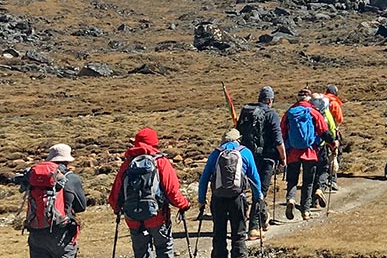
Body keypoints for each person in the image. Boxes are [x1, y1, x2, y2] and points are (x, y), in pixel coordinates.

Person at [110, 128, 193, 258]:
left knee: (141, 252)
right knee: (164, 249)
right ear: (154, 142)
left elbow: (116, 191)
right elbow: (172, 191)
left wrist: (117, 208)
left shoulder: (127, 163)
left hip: (132, 216)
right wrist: (184, 204)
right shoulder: (160, 162)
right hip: (157, 216)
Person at [197, 129, 262, 258]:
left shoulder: (216, 153)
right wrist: (258, 196)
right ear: (238, 139)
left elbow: (204, 178)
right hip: (238, 198)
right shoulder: (245, 153)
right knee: (238, 233)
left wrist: (201, 200)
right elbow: (254, 177)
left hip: (218, 198)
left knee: (219, 233)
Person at [19, 144, 88, 258]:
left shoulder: (35, 177)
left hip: (36, 233)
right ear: (67, 160)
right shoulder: (71, 179)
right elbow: (81, 207)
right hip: (61, 234)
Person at [233, 87, 283, 238]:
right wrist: (283, 158)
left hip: (246, 157)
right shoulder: (271, 114)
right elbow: (278, 139)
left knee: (244, 190)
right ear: (269, 100)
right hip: (266, 159)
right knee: (260, 191)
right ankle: (254, 227)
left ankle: (261, 219)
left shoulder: (246, 112)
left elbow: (238, 132)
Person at [279, 90, 331, 220]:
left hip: (292, 153)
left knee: (292, 180)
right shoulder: (314, 112)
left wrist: (283, 150)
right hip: (310, 152)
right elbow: (324, 132)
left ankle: (290, 199)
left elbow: (282, 132)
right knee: (308, 182)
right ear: (308, 99)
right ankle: (305, 210)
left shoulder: (289, 112)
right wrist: (333, 143)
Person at [318, 85, 347, 192]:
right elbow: (339, 119)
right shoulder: (334, 103)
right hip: (332, 133)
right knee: (335, 155)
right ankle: (332, 180)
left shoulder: (320, 102)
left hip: (319, 134)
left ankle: (321, 180)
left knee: (323, 157)